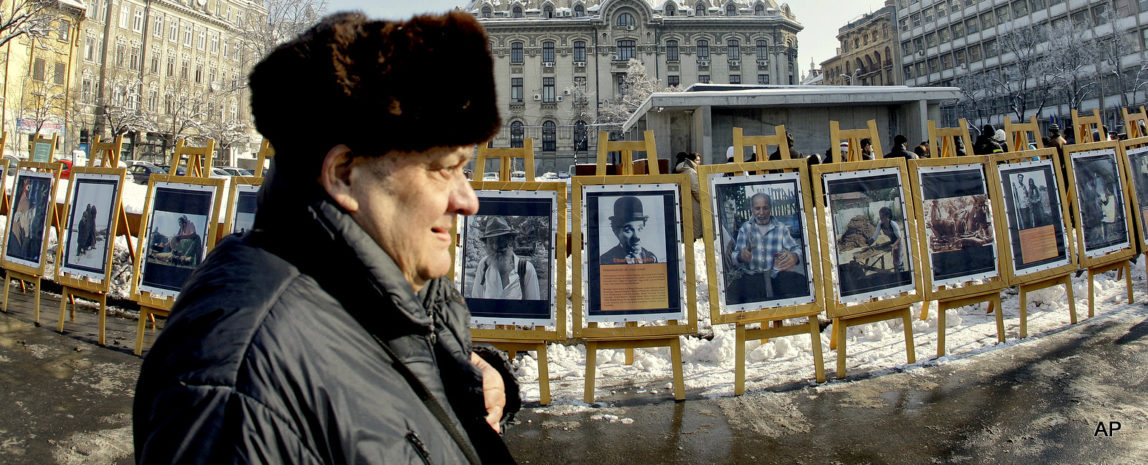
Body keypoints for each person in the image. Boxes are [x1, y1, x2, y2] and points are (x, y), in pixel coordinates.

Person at [133, 12, 519, 464]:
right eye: (441, 169)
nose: (468, 201)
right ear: (343, 174)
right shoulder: (238, 381)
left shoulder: (379, 290)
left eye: (465, 169)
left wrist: (470, 383)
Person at [728, 193, 804, 302]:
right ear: (751, 209)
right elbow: (734, 257)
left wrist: (794, 257)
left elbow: (797, 249)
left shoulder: (781, 228)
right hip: (752, 280)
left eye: (765, 208)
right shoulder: (745, 228)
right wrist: (741, 256)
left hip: (777, 278)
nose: (761, 213)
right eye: (757, 208)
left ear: (770, 208)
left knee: (801, 283)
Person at [470, 217, 540, 300]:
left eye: (500, 240)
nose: (495, 246)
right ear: (486, 244)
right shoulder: (484, 265)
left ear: (510, 241)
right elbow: (476, 301)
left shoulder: (526, 269)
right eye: (491, 241)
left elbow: (534, 308)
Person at [600, 196, 659, 264]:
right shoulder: (605, 260)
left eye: (640, 228)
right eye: (628, 230)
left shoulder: (651, 257)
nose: (637, 237)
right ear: (616, 231)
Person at [674, 151, 704, 240]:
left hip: (684, 204)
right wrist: (705, 200)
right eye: (698, 160)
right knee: (695, 233)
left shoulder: (682, 170)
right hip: (693, 205)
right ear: (692, 161)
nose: (699, 162)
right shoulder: (690, 171)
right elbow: (696, 189)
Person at [868, 207, 904, 272]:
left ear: (887, 216)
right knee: (895, 260)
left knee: (898, 261)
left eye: (882, 216)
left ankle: (901, 273)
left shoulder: (893, 224)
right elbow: (875, 236)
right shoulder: (880, 224)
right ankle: (897, 272)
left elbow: (899, 237)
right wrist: (869, 243)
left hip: (898, 242)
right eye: (880, 216)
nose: (880, 218)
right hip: (891, 242)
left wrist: (893, 245)